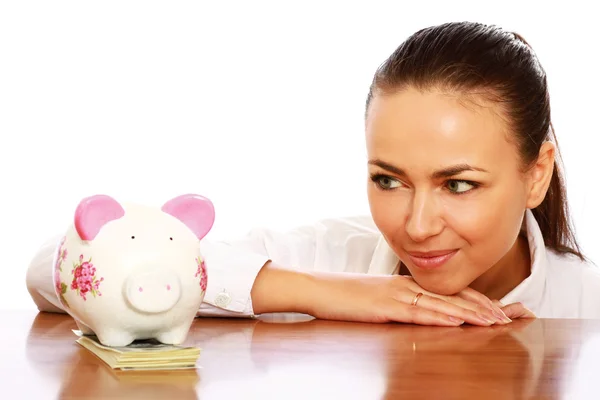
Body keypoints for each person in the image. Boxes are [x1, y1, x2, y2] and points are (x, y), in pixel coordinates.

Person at [26, 21, 600, 328]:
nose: (418, 226)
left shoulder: (588, 305)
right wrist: (339, 295)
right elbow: (52, 266)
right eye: (389, 179)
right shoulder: (337, 258)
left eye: (457, 184)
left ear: (536, 173)